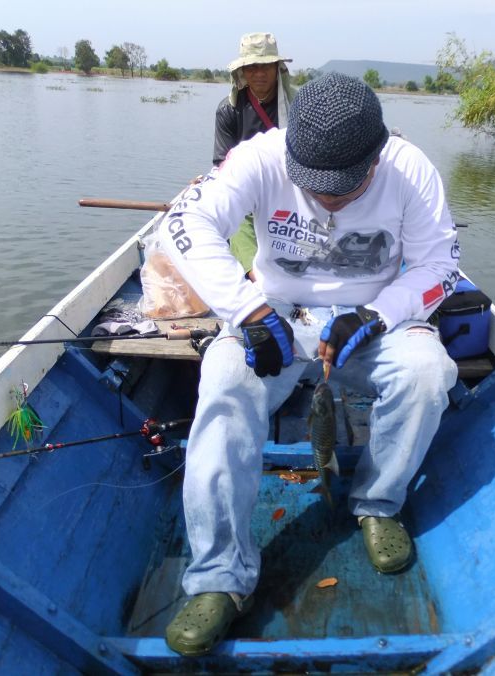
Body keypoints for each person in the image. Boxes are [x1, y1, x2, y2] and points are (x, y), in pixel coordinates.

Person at [160, 72, 461, 657]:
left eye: (341, 188)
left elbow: (441, 264)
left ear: (377, 158)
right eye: (311, 184)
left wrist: (377, 314)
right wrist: (247, 311)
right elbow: (184, 223)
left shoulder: (411, 169)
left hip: (372, 316)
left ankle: (377, 504)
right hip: (274, 313)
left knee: (427, 375)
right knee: (222, 385)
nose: (324, 198)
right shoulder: (259, 154)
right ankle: (220, 576)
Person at [215, 32, 296, 279]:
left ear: (277, 68)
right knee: (236, 219)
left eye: (266, 66)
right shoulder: (229, 109)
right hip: (247, 188)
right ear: (242, 71)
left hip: (292, 186)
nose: (259, 73)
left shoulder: (298, 104)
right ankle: (257, 278)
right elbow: (222, 163)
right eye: (252, 67)